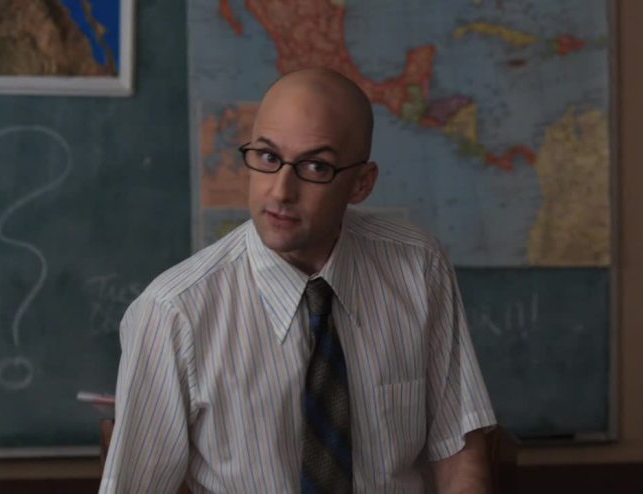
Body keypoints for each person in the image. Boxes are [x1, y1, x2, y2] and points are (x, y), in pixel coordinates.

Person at [99, 68, 496, 493]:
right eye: (268, 158)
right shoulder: (172, 312)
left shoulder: (418, 266)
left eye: (315, 166)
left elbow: (459, 454)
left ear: (361, 184)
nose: (281, 191)